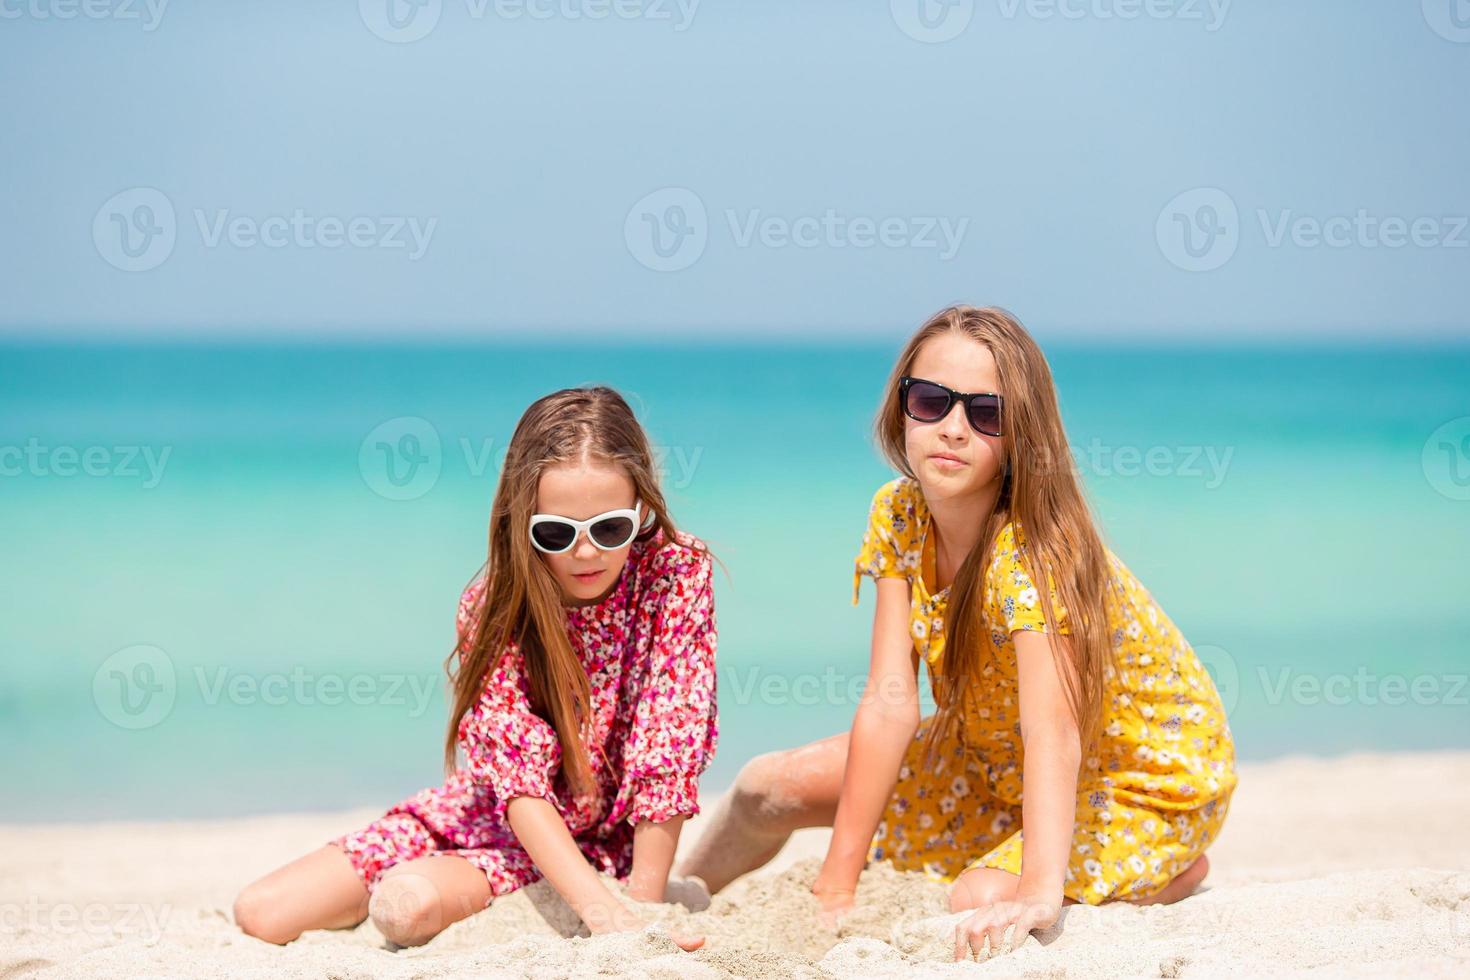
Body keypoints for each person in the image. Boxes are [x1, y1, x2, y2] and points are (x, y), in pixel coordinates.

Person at [677, 306, 1236, 961]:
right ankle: (673, 896)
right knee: (766, 787)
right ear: (902, 407)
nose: (953, 429)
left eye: (986, 413)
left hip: (1137, 781)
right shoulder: (899, 513)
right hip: (988, 757)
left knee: (977, 899)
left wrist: (1040, 890)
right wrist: (837, 878)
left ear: (1022, 434)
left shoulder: (1031, 555)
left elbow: (1051, 728)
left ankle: (1164, 876)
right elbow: (890, 701)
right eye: (932, 401)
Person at [234, 386, 717, 950]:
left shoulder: (675, 573)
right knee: (263, 912)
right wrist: (601, 913)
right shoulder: (494, 605)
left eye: (610, 528)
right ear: (523, 521)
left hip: (611, 837)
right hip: (507, 817)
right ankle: (496, 878)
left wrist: (637, 908)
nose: (586, 553)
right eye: (557, 533)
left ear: (640, 506)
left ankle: (512, 887)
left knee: (406, 909)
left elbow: (668, 749)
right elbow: (519, 786)